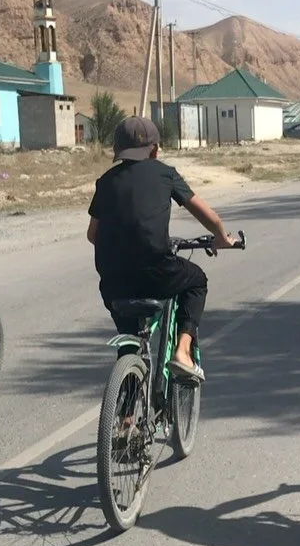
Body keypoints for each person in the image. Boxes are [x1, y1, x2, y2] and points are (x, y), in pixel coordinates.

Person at [87, 116, 237, 383]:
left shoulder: (105, 182)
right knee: (196, 281)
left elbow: (92, 235)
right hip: (156, 271)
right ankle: (182, 351)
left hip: (113, 281)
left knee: (129, 339)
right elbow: (208, 216)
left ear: (116, 151)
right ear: (155, 149)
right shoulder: (165, 173)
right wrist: (221, 237)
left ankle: (125, 414)